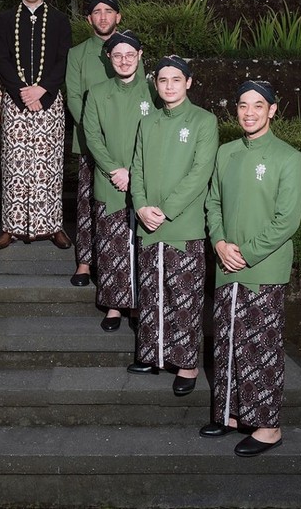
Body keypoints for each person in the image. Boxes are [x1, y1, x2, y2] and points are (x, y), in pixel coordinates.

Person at [200, 80, 301, 457]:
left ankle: (268, 427)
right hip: (227, 262)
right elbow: (213, 203)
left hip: (262, 268)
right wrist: (219, 243)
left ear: (272, 110)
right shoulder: (226, 152)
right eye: (243, 105)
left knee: (261, 346)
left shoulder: (288, 157)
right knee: (227, 340)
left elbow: (287, 220)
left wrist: (246, 253)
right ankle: (230, 414)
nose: (249, 113)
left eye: (258, 105)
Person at [129, 55, 218, 395]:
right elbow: (137, 167)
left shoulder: (203, 121)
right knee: (152, 293)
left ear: (188, 82)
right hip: (148, 222)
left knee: (184, 297)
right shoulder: (148, 121)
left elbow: (200, 173)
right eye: (163, 80)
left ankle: (186, 364)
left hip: (183, 224)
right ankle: (153, 354)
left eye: (176, 79)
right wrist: (140, 206)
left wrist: (165, 211)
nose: (168, 86)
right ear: (155, 84)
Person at [0, 0, 72, 250]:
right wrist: (22, 93)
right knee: (15, 165)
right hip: (16, 102)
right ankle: (10, 227)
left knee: (49, 166)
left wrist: (42, 90)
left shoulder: (60, 20)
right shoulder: (5, 20)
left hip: (49, 102)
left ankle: (53, 225)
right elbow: (1, 58)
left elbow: (63, 59)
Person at [82, 31, 158, 331]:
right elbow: (92, 136)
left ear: (140, 56)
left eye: (129, 55)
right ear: (109, 58)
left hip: (147, 180)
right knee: (111, 243)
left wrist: (136, 173)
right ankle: (114, 305)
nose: (124, 61)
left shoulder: (153, 91)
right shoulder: (97, 93)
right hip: (110, 179)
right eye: (117, 55)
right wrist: (115, 169)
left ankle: (139, 304)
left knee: (143, 244)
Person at [66, 0, 121, 286]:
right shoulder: (77, 54)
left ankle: (114, 260)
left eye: (108, 11)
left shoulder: (127, 50)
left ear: (118, 17)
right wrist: (93, 132)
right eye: (97, 12)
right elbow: (74, 97)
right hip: (89, 139)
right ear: (89, 19)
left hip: (124, 142)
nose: (103, 16)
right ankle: (85, 262)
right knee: (88, 200)